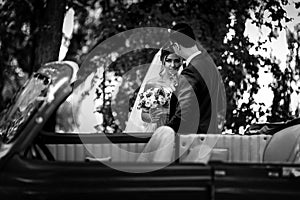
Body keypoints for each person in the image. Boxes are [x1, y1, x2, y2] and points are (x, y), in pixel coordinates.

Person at [136, 23, 226, 162]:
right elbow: (219, 104)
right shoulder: (210, 65)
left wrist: (164, 133)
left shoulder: (191, 71)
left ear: (176, 46)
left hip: (189, 141)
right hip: (208, 138)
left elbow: (184, 113)